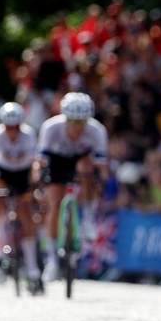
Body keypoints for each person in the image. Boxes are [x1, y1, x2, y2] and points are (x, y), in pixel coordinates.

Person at [33, 92, 109, 282]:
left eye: (82, 122)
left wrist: (101, 182)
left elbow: (102, 166)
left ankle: (88, 221)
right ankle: (52, 260)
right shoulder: (51, 128)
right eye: (73, 121)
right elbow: (40, 161)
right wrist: (37, 179)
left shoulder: (97, 131)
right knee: (54, 205)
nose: (78, 126)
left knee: (87, 169)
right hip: (57, 162)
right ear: (65, 117)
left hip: (81, 161)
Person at [0, 102, 41, 288]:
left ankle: (32, 265)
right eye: (9, 126)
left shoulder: (29, 135)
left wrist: (34, 182)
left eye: (15, 126)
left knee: (26, 213)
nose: (12, 130)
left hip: (23, 172)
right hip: (4, 171)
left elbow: (34, 163)